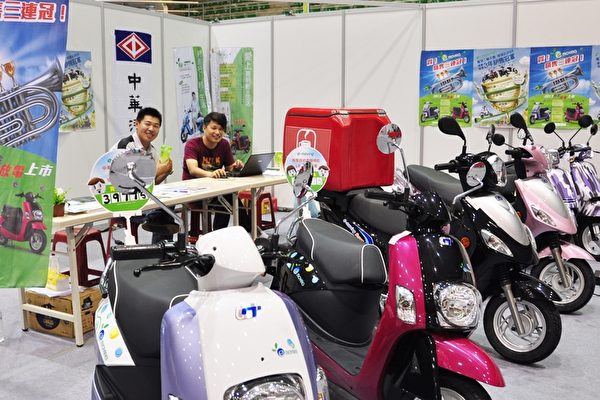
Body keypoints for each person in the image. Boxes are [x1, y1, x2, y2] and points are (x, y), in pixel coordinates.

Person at [113, 107, 175, 242]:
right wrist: (158, 169)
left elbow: (153, 182)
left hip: (140, 196)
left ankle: (160, 247)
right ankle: (158, 240)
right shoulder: (127, 145)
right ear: (137, 124)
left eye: (156, 126)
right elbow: (127, 181)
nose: (151, 129)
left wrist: (166, 171)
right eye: (148, 124)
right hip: (123, 199)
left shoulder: (152, 150)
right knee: (163, 211)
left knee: (170, 204)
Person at [183, 112, 247, 231]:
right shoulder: (192, 144)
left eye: (221, 129)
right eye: (213, 128)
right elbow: (193, 169)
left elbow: (229, 168)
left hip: (215, 191)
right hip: (194, 191)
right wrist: (211, 174)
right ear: (204, 127)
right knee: (227, 197)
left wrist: (236, 166)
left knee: (229, 195)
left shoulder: (224, 144)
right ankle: (249, 228)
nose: (217, 132)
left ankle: (223, 232)